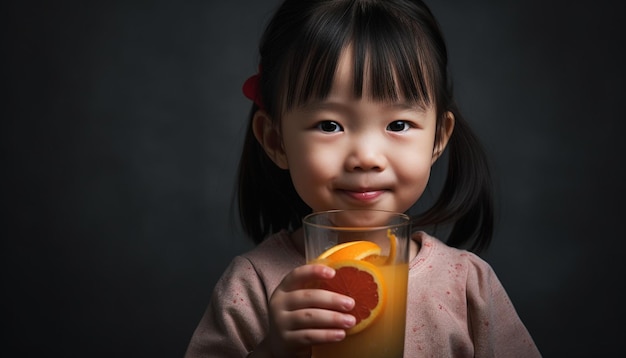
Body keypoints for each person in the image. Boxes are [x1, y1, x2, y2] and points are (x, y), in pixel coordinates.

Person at [185, 0, 541, 357]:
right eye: (329, 125)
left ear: (437, 138)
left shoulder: (466, 285)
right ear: (276, 141)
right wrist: (274, 349)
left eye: (398, 125)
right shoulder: (253, 284)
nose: (366, 158)